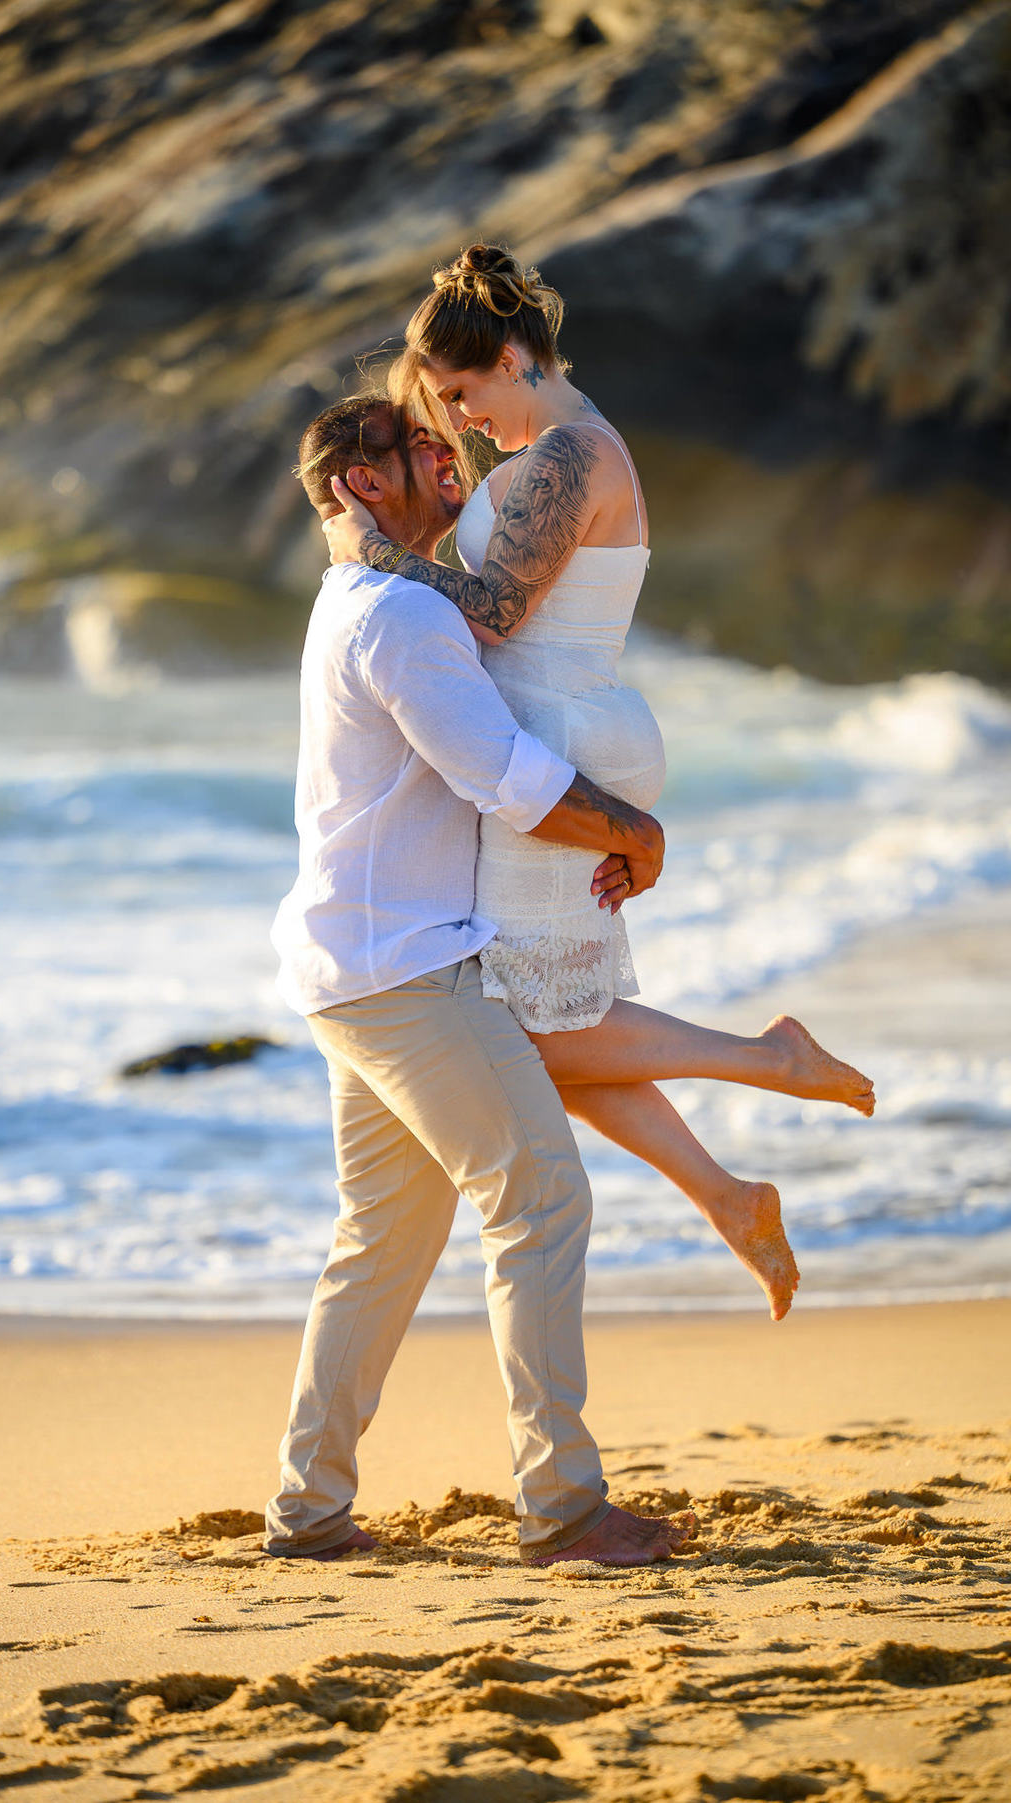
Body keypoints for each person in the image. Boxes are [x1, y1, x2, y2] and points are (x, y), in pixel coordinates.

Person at [322, 244, 876, 1325]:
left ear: (513, 359)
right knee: (549, 1021)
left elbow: (494, 612)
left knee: (526, 1032)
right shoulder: (557, 449)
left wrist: (367, 550)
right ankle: (728, 1195)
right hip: (560, 732)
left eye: (462, 393)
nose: (460, 419)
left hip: (561, 739)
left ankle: (769, 1061)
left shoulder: (572, 454)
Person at [265, 392, 695, 1569]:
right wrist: (635, 832)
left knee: (381, 1242)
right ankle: (563, 1507)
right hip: (408, 968)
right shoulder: (400, 614)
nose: (444, 449)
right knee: (542, 1201)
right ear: (362, 484)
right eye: (414, 445)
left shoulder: (358, 596)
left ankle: (308, 1511)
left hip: (353, 964)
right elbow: (504, 775)